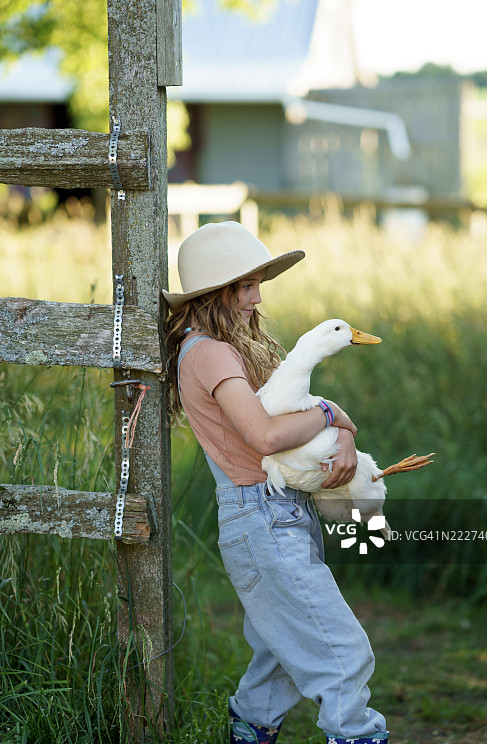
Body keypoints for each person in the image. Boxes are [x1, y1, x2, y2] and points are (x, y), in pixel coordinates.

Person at [164, 221, 389, 744]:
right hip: (261, 515)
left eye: (258, 283)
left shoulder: (219, 349)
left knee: (280, 655)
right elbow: (265, 436)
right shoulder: (210, 354)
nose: (256, 297)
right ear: (216, 292)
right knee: (342, 653)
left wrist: (343, 431)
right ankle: (357, 734)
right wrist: (333, 415)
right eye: (246, 286)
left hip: (277, 511)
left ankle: (249, 730)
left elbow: (295, 420)